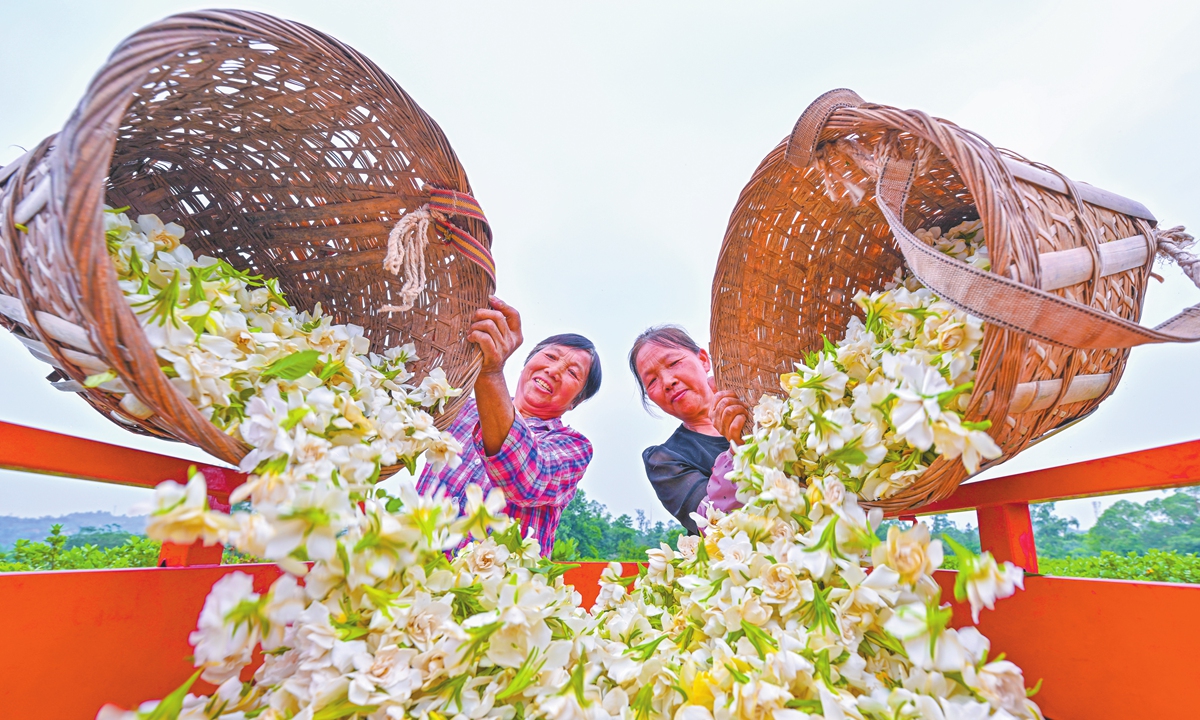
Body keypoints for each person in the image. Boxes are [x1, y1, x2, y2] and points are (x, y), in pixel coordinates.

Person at [418, 296, 602, 555]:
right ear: (526, 363)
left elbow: (526, 480)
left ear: (576, 402)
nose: (554, 370)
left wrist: (490, 372)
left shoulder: (573, 447)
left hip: (493, 592)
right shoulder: (459, 406)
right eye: (550, 356)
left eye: (573, 372)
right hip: (414, 573)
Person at [629, 326, 750, 534]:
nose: (668, 382)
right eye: (652, 381)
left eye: (674, 363)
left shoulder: (756, 406)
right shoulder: (665, 460)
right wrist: (737, 450)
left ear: (703, 360)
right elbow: (712, 525)